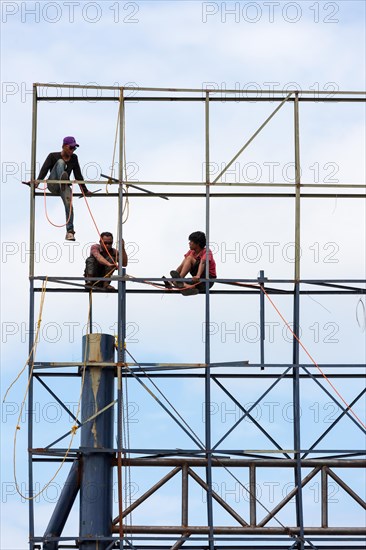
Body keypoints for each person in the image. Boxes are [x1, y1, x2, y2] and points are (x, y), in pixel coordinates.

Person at [35, 136, 92, 241]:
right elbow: (44, 169)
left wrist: (84, 190)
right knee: (61, 162)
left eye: (74, 148)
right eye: (71, 148)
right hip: (53, 184)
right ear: (64, 146)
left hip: (64, 187)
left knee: (69, 205)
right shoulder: (53, 156)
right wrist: (38, 182)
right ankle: (62, 179)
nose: (72, 150)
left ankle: (70, 232)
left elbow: (78, 175)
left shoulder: (74, 158)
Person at [165, 231, 217, 296]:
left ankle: (179, 281)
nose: (189, 243)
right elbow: (182, 265)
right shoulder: (191, 252)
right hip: (198, 283)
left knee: (189, 258)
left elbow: (202, 263)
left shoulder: (206, 251)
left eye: (191, 241)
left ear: (197, 243)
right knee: (187, 259)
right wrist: (171, 280)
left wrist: (198, 275)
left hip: (207, 279)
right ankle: (186, 287)